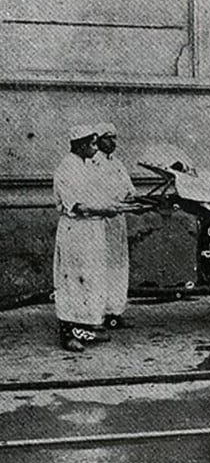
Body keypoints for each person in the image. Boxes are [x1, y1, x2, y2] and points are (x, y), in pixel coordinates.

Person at [53, 125, 117, 352]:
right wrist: (105, 210)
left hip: (92, 230)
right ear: (80, 145)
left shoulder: (86, 165)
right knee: (72, 280)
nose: (96, 148)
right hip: (76, 231)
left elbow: (97, 195)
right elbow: (78, 206)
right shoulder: (67, 168)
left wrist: (111, 206)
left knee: (90, 279)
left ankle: (84, 330)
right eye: (92, 144)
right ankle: (67, 335)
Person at [93, 122, 136, 329]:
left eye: (114, 138)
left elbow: (129, 189)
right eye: (108, 138)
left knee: (118, 265)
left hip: (118, 220)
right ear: (98, 140)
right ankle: (98, 313)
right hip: (100, 220)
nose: (113, 142)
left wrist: (131, 198)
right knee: (101, 265)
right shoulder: (92, 163)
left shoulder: (117, 164)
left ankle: (115, 312)